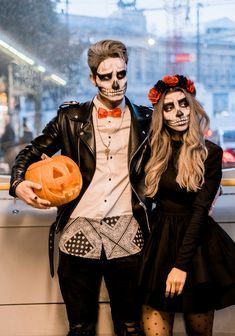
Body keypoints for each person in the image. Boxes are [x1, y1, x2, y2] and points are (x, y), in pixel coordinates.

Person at [9, 39, 152, 336]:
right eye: (106, 76)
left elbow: (179, 153)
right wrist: (19, 182)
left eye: (121, 74)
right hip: (78, 230)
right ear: (92, 78)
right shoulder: (70, 119)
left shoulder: (147, 120)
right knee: (80, 326)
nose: (115, 82)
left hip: (129, 231)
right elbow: (31, 151)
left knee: (130, 325)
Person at [139, 74, 235, 335]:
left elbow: (200, 211)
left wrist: (180, 267)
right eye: (169, 107)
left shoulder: (210, 153)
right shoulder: (153, 150)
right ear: (162, 115)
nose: (179, 112)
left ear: (192, 107)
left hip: (197, 247)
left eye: (184, 104)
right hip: (159, 244)